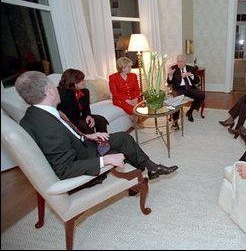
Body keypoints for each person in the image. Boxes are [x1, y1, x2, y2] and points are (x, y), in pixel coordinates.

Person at [15, 71, 178, 181]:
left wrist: (86, 136)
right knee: (119, 151)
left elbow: (65, 135)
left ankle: (151, 168)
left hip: (82, 145)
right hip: (82, 158)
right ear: (49, 91)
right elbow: (64, 168)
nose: (57, 90)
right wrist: (105, 159)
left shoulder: (36, 115)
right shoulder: (46, 126)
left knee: (122, 137)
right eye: (54, 86)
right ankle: (136, 179)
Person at [57, 68, 108, 134]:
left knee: (101, 120)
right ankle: (91, 143)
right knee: (86, 125)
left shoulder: (85, 91)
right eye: (82, 80)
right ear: (73, 82)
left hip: (81, 117)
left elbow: (86, 109)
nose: (84, 82)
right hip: (69, 120)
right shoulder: (61, 94)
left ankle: (103, 142)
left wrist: (88, 116)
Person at [167, 54, 205, 130]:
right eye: (178, 62)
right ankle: (175, 122)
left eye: (181, 61)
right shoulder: (174, 69)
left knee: (201, 95)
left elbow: (197, 81)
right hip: (178, 89)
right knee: (177, 100)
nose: (179, 63)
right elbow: (169, 82)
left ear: (185, 62)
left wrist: (190, 75)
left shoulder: (191, 68)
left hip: (190, 88)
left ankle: (190, 111)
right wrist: (170, 76)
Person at [109, 56, 143, 128]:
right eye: (129, 67)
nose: (131, 68)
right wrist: (127, 100)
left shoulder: (133, 76)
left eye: (130, 66)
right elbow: (115, 93)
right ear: (122, 67)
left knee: (140, 105)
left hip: (133, 97)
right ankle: (134, 122)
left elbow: (137, 89)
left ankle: (137, 119)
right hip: (120, 99)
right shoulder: (113, 77)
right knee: (133, 109)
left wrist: (135, 98)